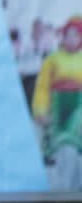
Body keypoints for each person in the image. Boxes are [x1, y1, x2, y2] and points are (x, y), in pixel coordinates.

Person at [33, 15, 82, 189]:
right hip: (58, 107)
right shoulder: (53, 59)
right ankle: (62, 192)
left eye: (76, 35)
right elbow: (42, 87)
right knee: (61, 148)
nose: (72, 39)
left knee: (76, 150)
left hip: (79, 109)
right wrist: (41, 111)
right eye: (69, 34)